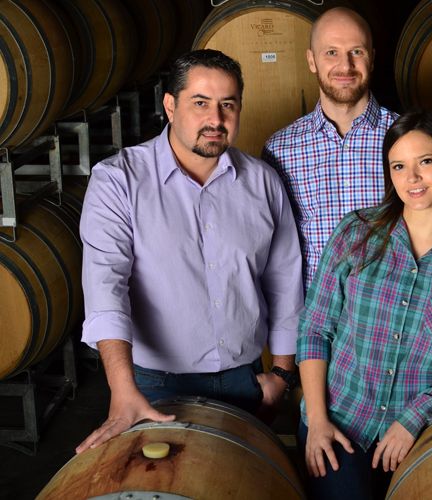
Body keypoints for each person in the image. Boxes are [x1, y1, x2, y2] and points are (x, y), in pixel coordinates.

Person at [75, 49, 303, 454]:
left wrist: (282, 375)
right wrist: (122, 389)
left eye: (227, 105)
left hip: (244, 381)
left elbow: (284, 281)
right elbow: (105, 287)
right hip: (153, 383)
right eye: (200, 103)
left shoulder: (263, 182)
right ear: (170, 105)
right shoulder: (118, 181)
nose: (215, 119)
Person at [297, 110, 432, 500]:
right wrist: (318, 420)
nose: (412, 178)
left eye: (425, 162)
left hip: (418, 434)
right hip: (339, 423)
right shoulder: (357, 233)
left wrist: (416, 416)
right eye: (398, 166)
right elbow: (315, 328)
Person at [262, 7, 398, 291]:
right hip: (314, 321)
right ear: (312, 60)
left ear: (372, 57)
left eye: (356, 52)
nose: (345, 66)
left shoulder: (407, 137)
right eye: (331, 52)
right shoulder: (280, 150)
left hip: (390, 321)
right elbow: (273, 253)